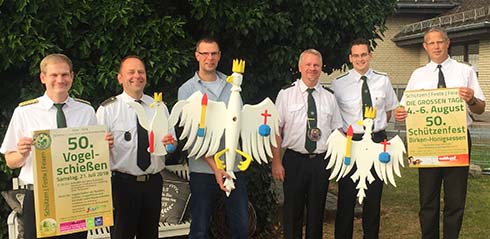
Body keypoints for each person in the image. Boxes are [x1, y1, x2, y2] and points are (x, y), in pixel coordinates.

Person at [394, 27, 485, 239]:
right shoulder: (418, 75)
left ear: (448, 43)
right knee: (428, 199)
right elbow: (405, 107)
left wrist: (471, 99)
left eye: (439, 42)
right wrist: (400, 113)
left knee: (455, 200)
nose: (436, 46)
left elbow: (480, 108)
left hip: (457, 140)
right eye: (431, 43)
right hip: (426, 143)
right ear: (425, 47)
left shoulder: (465, 71)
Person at [0, 54, 99, 239]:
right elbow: (10, 162)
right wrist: (21, 154)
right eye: (54, 75)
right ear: (43, 77)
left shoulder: (86, 111)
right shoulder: (25, 112)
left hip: (75, 197)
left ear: (72, 76)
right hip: (39, 198)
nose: (60, 80)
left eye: (64, 74)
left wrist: (103, 145)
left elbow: (94, 155)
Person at [96, 56, 176, 239]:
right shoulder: (108, 109)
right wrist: (101, 146)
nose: (137, 76)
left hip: (153, 183)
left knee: (150, 235)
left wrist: (171, 145)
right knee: (122, 235)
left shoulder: (159, 106)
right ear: (120, 77)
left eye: (141, 72)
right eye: (130, 72)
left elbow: (172, 145)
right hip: (123, 185)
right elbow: (96, 153)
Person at [177, 37, 248, 239]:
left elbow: (240, 123)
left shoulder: (233, 84)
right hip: (203, 169)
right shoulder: (187, 90)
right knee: (200, 227)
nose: (210, 58)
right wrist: (215, 167)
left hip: (233, 167)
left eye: (214, 53)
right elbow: (190, 137)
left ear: (219, 56)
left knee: (241, 225)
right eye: (205, 53)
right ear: (197, 56)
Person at [331, 38, 399, 239]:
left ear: (370, 55)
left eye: (364, 54)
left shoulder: (383, 80)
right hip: (351, 143)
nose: (360, 59)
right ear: (350, 58)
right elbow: (335, 116)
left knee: (373, 198)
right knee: (346, 198)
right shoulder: (339, 83)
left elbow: (387, 112)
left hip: (377, 141)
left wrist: (375, 129)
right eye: (356, 55)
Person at [272, 49, 343, 239]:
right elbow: (276, 131)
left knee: (316, 212)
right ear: (300, 67)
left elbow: (337, 131)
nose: (312, 69)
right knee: (292, 212)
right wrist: (276, 162)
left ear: (321, 68)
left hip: (321, 162)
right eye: (308, 65)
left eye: (316, 65)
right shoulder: (286, 94)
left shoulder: (329, 97)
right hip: (294, 160)